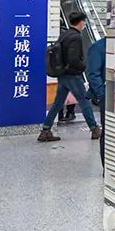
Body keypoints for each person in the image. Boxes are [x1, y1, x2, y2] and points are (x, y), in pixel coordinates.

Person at [39, 12, 101, 142]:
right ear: (81, 22)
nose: (85, 24)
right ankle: (94, 128)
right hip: (73, 75)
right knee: (84, 101)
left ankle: (45, 130)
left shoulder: (65, 34)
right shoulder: (76, 37)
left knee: (58, 103)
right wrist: (84, 66)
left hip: (63, 74)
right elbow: (73, 59)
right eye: (84, 21)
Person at [86, 36, 106, 167]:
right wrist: (102, 95)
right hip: (107, 97)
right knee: (108, 132)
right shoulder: (98, 47)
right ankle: (106, 169)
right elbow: (93, 74)